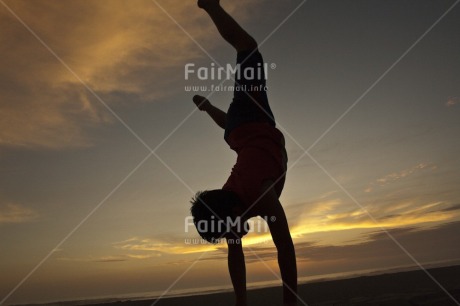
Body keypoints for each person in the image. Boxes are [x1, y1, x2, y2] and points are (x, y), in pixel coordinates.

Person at [190, 1, 298, 305]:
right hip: (241, 135)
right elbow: (235, 259)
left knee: (247, 47)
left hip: (253, 117)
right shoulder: (228, 210)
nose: (233, 238)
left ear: (234, 214)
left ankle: (210, 6)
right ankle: (208, 108)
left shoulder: (262, 195)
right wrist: (241, 301)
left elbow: (284, 246)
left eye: (229, 232)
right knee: (231, 134)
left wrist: (290, 300)